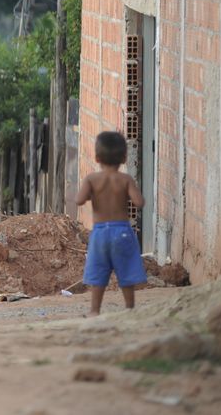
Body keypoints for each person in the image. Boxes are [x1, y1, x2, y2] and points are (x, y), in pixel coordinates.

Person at [76, 131, 147, 317]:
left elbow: (79, 200)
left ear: (97, 157)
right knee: (126, 270)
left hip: (100, 233)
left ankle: (94, 310)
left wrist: (90, 194)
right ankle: (130, 308)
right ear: (124, 158)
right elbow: (139, 202)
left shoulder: (91, 180)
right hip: (122, 230)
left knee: (99, 272)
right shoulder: (125, 180)